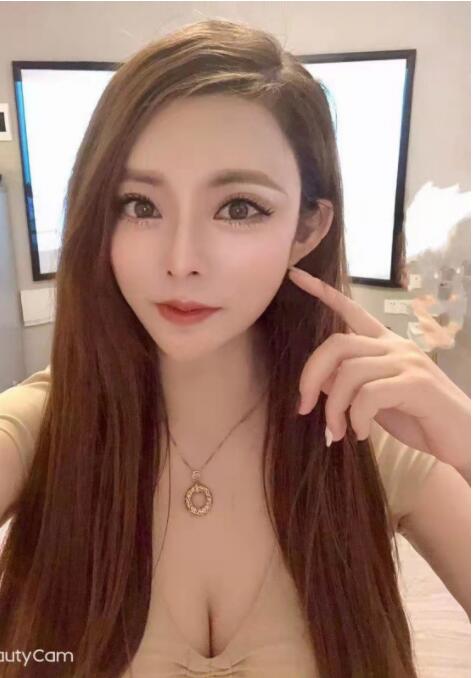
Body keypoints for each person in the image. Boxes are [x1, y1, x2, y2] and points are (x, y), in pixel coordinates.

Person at [0, 18, 470, 678]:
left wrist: (466, 441)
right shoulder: (42, 428)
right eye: (139, 205)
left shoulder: (369, 436)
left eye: (239, 208)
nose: (181, 259)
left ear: (307, 229)